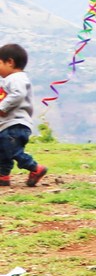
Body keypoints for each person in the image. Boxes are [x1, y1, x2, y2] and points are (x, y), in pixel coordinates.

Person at [0, 44, 43, 189]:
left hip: (15, 125)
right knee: (3, 151)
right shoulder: (11, 80)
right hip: (9, 125)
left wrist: (2, 107)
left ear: (10, 62)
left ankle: (36, 168)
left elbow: (18, 94)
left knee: (13, 151)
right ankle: (3, 177)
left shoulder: (17, 78)